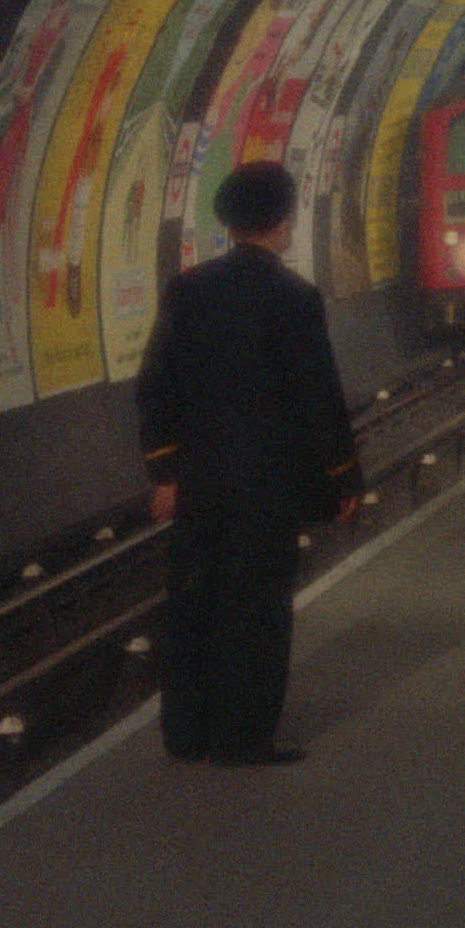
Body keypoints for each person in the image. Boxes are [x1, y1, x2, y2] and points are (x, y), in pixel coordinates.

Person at [136, 161, 364, 765]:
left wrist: (166, 474)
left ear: (229, 222)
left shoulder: (187, 290)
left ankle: (184, 734)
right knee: (256, 608)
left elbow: (155, 385)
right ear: (282, 221)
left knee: (194, 602)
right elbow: (319, 398)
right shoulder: (295, 299)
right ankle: (242, 736)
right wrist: (343, 478)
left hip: (201, 483)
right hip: (267, 484)